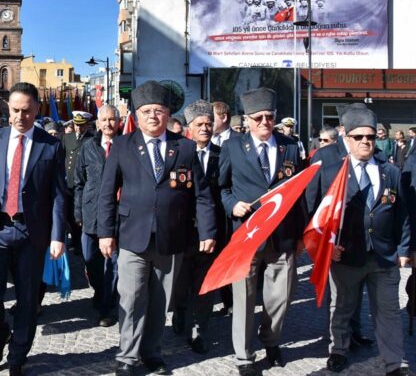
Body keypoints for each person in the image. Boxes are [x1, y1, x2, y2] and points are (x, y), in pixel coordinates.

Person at [98, 81, 216, 375]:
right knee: (131, 297)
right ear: (137, 116)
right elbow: (106, 191)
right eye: (147, 111)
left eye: (159, 111)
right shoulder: (123, 146)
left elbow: (201, 194)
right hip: (131, 236)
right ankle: (127, 356)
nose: (153, 116)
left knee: (160, 300)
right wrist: (105, 232)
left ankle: (152, 352)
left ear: (168, 114)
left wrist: (208, 231)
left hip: (170, 237)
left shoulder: (185, 147)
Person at [0, 82, 66, 375]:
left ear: (36, 110)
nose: (21, 116)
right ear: (8, 109)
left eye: (27, 111)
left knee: (27, 299)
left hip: (31, 232)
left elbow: (59, 195)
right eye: (16, 110)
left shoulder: (51, 145)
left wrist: (58, 236)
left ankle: (18, 355)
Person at [308, 106, 411, 375]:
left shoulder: (390, 171)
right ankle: (339, 350)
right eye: (359, 137)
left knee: (387, 312)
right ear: (347, 140)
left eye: (371, 137)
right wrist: (327, 248)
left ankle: (393, 362)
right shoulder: (331, 172)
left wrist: (403, 249)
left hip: (383, 257)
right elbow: (315, 215)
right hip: (346, 255)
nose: (366, 141)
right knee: (342, 307)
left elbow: (402, 215)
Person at [219, 88, 306, 376]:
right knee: (243, 298)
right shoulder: (233, 147)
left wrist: (302, 233)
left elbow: (299, 193)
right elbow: (221, 188)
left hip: (282, 236)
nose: (265, 123)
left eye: (270, 117)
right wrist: (233, 205)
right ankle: (244, 356)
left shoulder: (290, 147)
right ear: (247, 120)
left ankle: (271, 340)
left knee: (280, 297)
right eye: (258, 118)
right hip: (247, 235)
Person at [171, 99, 228, 355]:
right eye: (200, 124)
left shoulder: (222, 155)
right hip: (181, 232)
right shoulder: (176, 152)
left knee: (206, 284)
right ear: (189, 127)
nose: (205, 128)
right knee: (181, 282)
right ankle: (181, 313)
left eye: (208, 123)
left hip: (211, 233)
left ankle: (199, 331)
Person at [73, 105, 120, 328]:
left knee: (113, 265)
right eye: (105, 120)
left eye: (112, 119)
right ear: (98, 123)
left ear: (118, 122)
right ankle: (100, 293)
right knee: (91, 261)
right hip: (91, 214)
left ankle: (108, 307)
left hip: (117, 216)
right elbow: (79, 182)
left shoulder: (126, 146)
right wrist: (78, 211)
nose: (108, 124)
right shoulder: (88, 147)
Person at [62, 111, 94, 253]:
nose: (78, 128)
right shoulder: (66, 138)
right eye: (76, 125)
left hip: (83, 184)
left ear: (87, 125)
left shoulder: (91, 140)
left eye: (81, 125)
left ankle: (79, 242)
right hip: (68, 183)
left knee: (79, 215)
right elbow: (62, 157)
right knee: (68, 214)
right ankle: (74, 240)